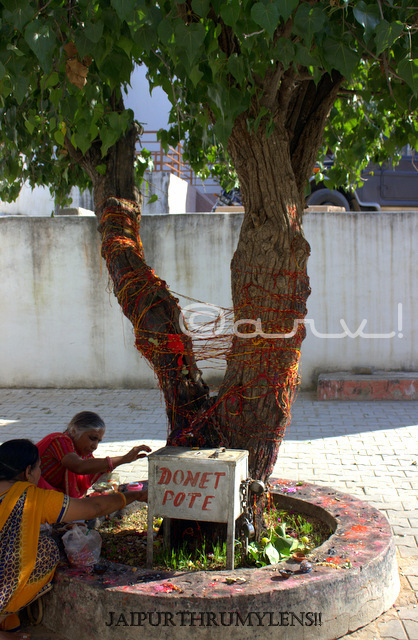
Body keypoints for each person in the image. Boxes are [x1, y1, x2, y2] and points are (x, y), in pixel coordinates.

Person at [0, 438, 148, 640]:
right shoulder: (33, 499)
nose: (40, 473)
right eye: (39, 468)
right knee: (47, 549)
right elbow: (94, 508)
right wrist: (134, 496)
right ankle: (5, 615)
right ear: (28, 472)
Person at [36, 411, 151, 498]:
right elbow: (80, 467)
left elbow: (97, 470)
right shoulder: (60, 441)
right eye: (92, 438)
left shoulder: (82, 454)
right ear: (74, 431)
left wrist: (125, 461)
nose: (95, 446)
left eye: (98, 441)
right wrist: (123, 459)